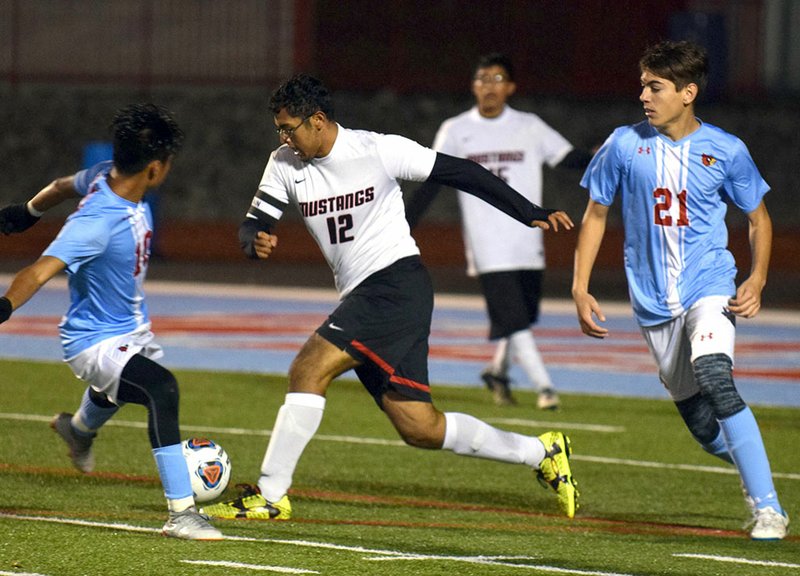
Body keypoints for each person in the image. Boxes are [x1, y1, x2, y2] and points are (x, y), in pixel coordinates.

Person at [200, 73, 580, 521]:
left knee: (308, 368)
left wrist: (529, 212)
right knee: (419, 426)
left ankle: (269, 494)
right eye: (279, 129)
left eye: (289, 127)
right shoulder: (284, 162)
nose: (284, 137)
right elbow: (254, 221)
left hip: (395, 285)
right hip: (370, 295)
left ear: (318, 120)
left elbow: (462, 171)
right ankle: (541, 452)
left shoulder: (376, 149)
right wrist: (255, 240)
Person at [572, 40, 788, 540]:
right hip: (652, 303)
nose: (644, 96)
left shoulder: (727, 150)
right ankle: (750, 468)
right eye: (643, 85)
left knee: (716, 376)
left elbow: (758, 219)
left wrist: (756, 278)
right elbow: (596, 214)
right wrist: (580, 288)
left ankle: (768, 508)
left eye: (656, 86)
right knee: (701, 425)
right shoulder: (624, 145)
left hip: (710, 285)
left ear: (687, 92)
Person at [0, 104, 222, 541]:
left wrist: (28, 211)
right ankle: (181, 513)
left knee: (119, 389)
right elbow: (39, 271)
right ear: (155, 169)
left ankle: (76, 429)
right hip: (92, 340)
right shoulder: (96, 222)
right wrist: (4, 306)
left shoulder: (105, 173)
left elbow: (64, 184)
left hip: (129, 326)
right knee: (161, 388)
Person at [406, 53, 593, 409]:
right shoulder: (456, 129)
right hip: (487, 241)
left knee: (522, 316)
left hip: (527, 238)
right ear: (473, 86)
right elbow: (432, 180)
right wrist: (404, 224)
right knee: (514, 318)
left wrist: (602, 155)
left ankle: (497, 371)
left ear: (510, 87)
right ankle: (546, 389)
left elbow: (567, 157)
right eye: (481, 79)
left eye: (496, 80)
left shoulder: (529, 125)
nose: (488, 87)